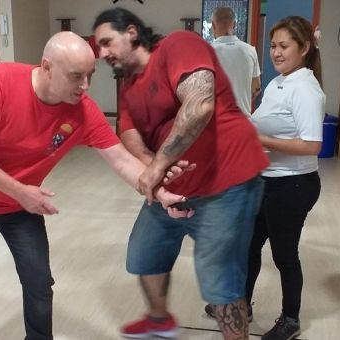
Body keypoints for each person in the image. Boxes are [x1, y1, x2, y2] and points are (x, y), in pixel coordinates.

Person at [0, 31, 193, 340]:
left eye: (90, 76)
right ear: (47, 67)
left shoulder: (82, 111)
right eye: (76, 77)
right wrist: (20, 190)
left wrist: (160, 191)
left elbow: (121, 160)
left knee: (39, 283)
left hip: (20, 206)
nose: (85, 86)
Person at [93, 7, 269, 340]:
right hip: (175, 192)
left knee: (219, 278)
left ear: (131, 32)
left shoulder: (178, 45)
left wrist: (157, 167)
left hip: (227, 184)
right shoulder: (130, 87)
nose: (102, 53)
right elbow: (128, 133)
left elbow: (200, 104)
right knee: (144, 253)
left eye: (106, 42)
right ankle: (159, 321)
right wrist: (156, 171)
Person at [206, 16, 324, 340]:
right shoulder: (278, 82)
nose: (276, 52)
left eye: (284, 46)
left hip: (293, 184)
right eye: (273, 46)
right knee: (247, 246)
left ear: (304, 48)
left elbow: (313, 144)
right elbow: (258, 123)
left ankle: (290, 319)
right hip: (267, 179)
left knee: (284, 255)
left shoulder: (305, 88)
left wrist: (264, 142)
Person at [211, 6, 261, 116]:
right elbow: (257, 86)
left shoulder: (207, 51)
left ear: (213, 25)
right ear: (235, 24)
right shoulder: (250, 50)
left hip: (218, 121)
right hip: (243, 120)